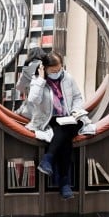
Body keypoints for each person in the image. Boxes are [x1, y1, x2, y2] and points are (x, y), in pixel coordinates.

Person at [17, 51, 92, 199]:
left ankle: (49, 159)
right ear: (44, 69)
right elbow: (33, 100)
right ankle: (64, 182)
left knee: (67, 128)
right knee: (64, 138)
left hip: (70, 117)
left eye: (59, 69)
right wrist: (41, 80)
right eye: (53, 71)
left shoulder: (68, 78)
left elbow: (77, 97)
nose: (57, 73)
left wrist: (76, 110)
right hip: (49, 119)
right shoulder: (38, 81)